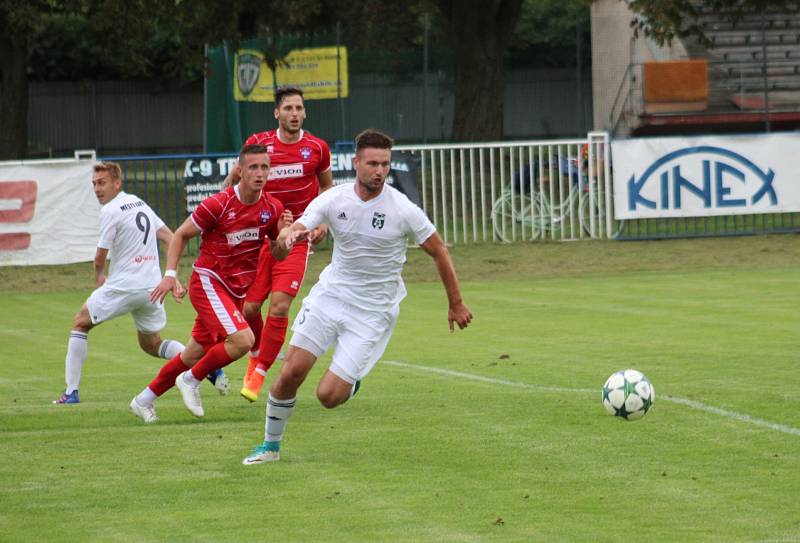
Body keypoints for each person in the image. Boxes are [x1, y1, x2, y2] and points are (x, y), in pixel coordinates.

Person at [241, 129, 473, 464]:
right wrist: (285, 238)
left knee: (328, 396)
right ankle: (270, 447)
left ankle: (351, 382)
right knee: (292, 371)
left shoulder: (402, 208)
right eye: (372, 163)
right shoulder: (334, 199)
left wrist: (456, 303)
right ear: (356, 163)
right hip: (330, 297)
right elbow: (290, 238)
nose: (379, 171)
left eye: (385, 164)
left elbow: (439, 251)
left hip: (373, 312)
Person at [129, 144, 297, 423]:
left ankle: (143, 399)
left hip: (236, 291)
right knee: (244, 341)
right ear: (240, 171)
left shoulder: (272, 208)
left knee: (194, 352)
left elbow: (278, 253)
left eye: (265, 167)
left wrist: (284, 239)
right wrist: (170, 275)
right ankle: (192, 380)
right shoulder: (218, 204)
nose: (260, 173)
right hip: (208, 282)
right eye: (253, 167)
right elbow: (181, 235)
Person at [53, 162, 199, 404]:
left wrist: (100, 275)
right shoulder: (139, 202)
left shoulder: (110, 210)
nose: (97, 189)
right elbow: (170, 237)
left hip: (125, 286)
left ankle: (71, 392)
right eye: (94, 184)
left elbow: (99, 256)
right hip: (152, 288)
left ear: (117, 183)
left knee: (80, 323)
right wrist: (170, 276)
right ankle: (204, 366)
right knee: (152, 344)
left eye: (102, 183)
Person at [225, 86, 333, 403]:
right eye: (288, 108)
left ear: (305, 112)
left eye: (299, 108)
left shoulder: (317, 148)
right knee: (249, 308)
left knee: (281, 305)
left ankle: (259, 374)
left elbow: (327, 188)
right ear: (277, 113)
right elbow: (235, 180)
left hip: (297, 237)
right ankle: (257, 352)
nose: (294, 114)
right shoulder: (259, 145)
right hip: (260, 237)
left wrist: (322, 221)